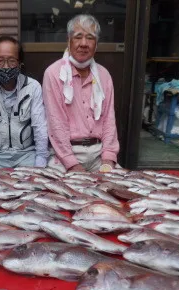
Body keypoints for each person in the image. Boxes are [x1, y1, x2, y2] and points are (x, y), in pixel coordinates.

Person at [42, 14, 119, 173]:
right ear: (69, 41)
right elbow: (56, 124)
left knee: (120, 189)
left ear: (96, 44)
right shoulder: (54, 73)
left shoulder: (104, 75)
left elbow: (109, 119)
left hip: (99, 153)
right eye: (78, 37)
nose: (84, 43)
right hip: (65, 155)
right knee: (57, 195)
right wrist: (72, 164)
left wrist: (108, 158)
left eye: (90, 38)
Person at [0, 36, 49, 168]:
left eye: (11, 61)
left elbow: (40, 128)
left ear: (20, 62)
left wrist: (40, 165)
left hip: (26, 155)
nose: (6, 67)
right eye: (0, 61)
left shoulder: (33, 87)